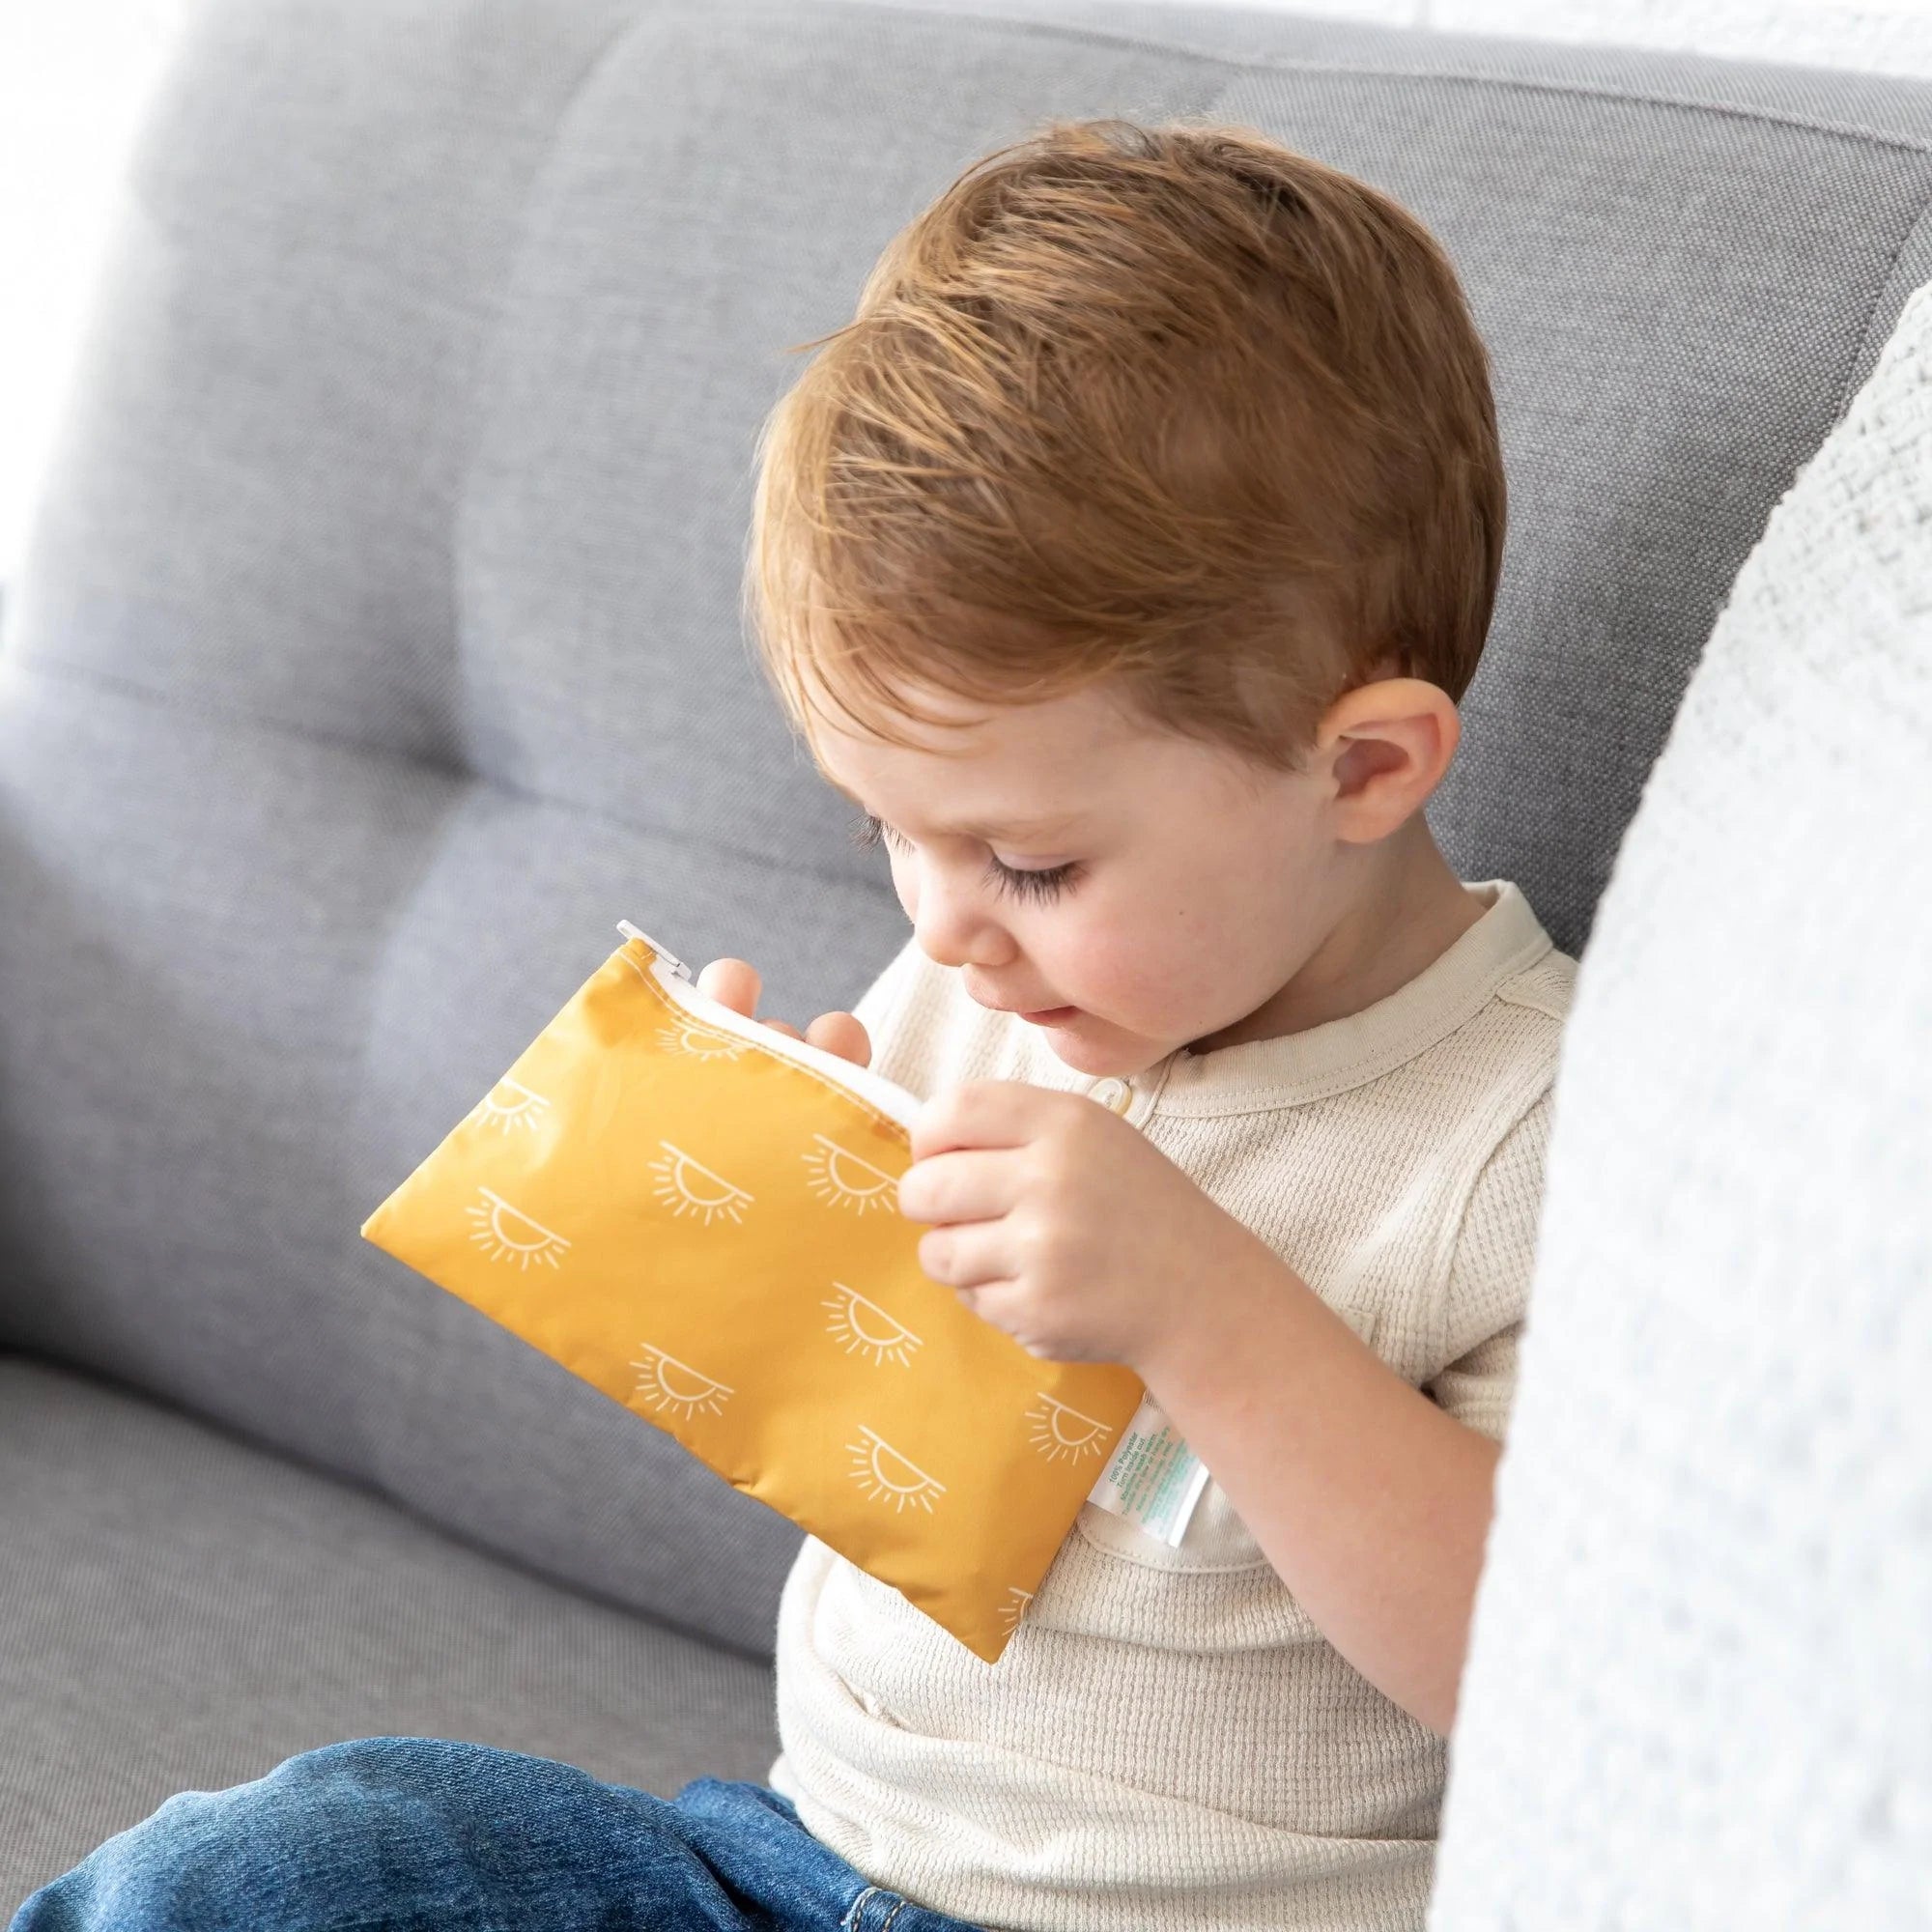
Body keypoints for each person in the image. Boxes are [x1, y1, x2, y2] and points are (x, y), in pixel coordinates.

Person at [13, 117, 1573, 1932]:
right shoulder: (982, 991)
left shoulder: (1527, 1137)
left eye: (1030, 860)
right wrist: (778, 1194)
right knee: (291, 1860)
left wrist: (1206, 1311)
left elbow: (1538, 1672)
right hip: (787, 1864)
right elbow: (916, 1456)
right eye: (886, 837)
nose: (943, 929)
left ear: (1362, 766)